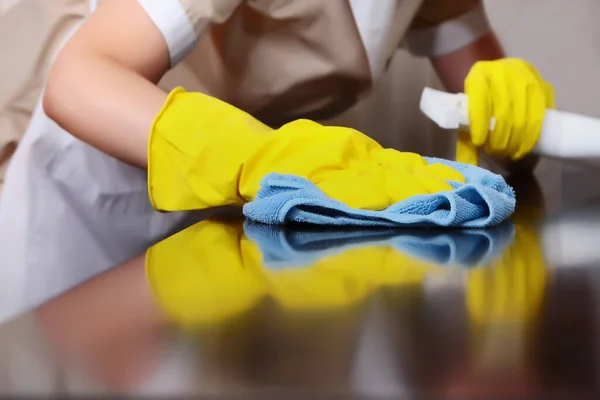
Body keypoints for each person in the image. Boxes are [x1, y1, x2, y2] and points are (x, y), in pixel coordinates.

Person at [0, 0, 554, 310]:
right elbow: (79, 80)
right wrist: (263, 154)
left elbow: (491, 121)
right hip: (91, 164)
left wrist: (511, 108)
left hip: (212, 189)